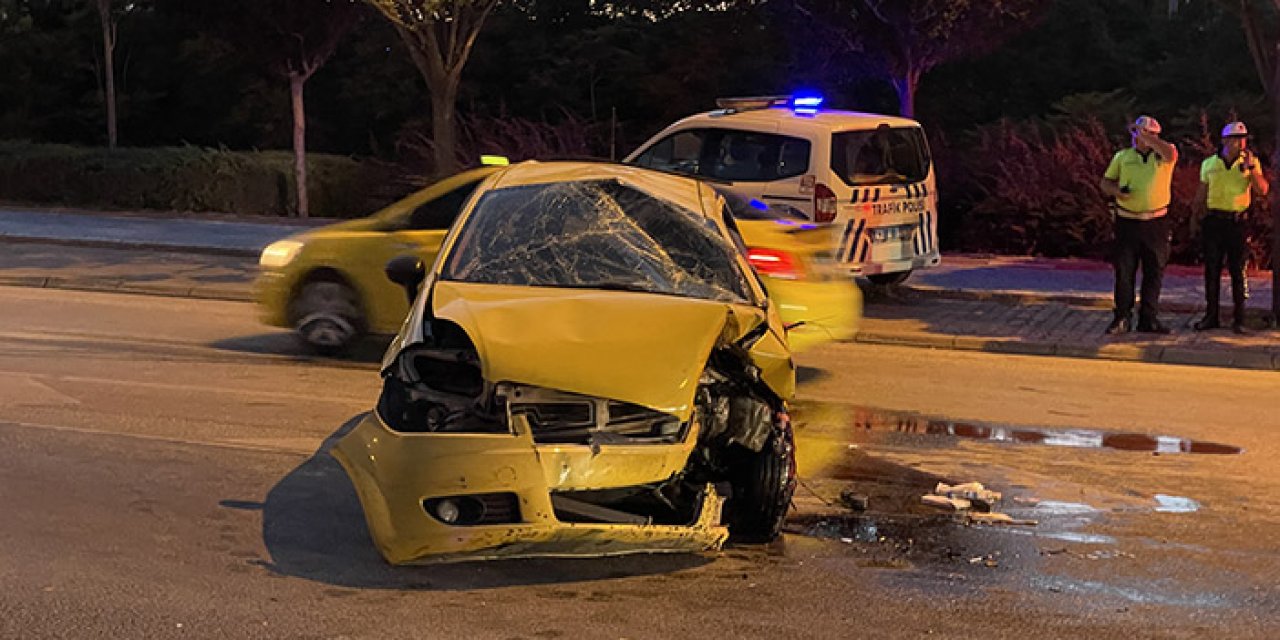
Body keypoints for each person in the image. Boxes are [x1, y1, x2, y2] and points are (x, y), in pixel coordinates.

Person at [1099, 115, 1179, 335]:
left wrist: (1148, 138)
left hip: (1156, 223)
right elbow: (1105, 182)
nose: (1137, 137)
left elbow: (1171, 153)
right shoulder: (1123, 157)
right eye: (1135, 133)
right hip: (1128, 221)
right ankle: (1122, 317)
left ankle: (1148, 318)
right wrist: (1116, 192)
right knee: (1124, 272)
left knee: (1154, 272)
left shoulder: (1163, 155)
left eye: (1142, 133)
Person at [1192, 121, 1270, 333]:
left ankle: (1240, 319)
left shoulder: (1250, 163)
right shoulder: (1210, 163)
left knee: (1238, 271)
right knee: (1212, 270)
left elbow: (1262, 189)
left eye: (1243, 138)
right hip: (1214, 220)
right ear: (1225, 140)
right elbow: (1201, 192)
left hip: (1237, 222)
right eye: (1236, 138)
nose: (1240, 143)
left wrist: (1252, 169)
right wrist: (1195, 217)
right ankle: (1211, 316)